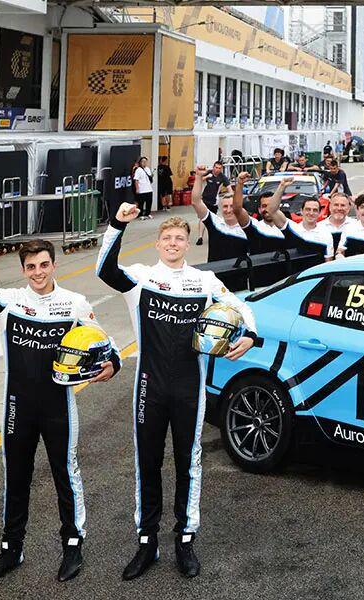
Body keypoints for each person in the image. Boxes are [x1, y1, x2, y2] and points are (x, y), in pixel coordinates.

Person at [97, 207, 257, 580]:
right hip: (149, 387)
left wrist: (250, 334)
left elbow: (240, 308)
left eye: (180, 238)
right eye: (167, 238)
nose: (173, 243)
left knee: (189, 463)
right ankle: (147, 542)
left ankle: (185, 539)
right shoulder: (141, 278)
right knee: (148, 463)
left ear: (188, 244)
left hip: (189, 387)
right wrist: (118, 225)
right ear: (157, 244)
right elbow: (104, 269)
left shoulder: (204, 281)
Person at [0, 232, 121, 583]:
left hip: (58, 405)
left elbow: (103, 340)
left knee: (66, 475)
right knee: (16, 478)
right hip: (18, 408)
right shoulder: (9, 302)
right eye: (31, 267)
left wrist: (114, 363)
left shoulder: (74, 303)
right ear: (23, 270)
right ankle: (11, 550)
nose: (38, 272)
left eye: (44, 265)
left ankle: (72, 546)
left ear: (54, 265)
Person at [261, 177, 334, 261]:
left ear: (319, 213)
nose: (311, 213)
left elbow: (328, 262)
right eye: (308, 209)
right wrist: (282, 186)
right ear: (301, 211)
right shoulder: (293, 228)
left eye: (315, 210)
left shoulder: (326, 234)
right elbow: (271, 210)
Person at [190, 166, 253, 262]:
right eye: (225, 206)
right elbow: (196, 202)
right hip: (215, 270)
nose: (228, 210)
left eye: (232, 206)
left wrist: (240, 185)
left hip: (241, 270)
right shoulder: (215, 223)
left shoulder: (249, 227)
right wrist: (198, 177)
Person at [196, 161, 232, 246]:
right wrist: (206, 177)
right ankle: (200, 237)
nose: (217, 169)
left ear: (221, 169)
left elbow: (229, 189)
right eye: (216, 167)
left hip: (214, 202)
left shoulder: (222, 177)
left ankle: (212, 236)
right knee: (202, 218)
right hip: (204, 200)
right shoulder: (207, 173)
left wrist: (231, 198)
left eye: (219, 168)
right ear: (213, 167)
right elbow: (198, 180)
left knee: (212, 220)